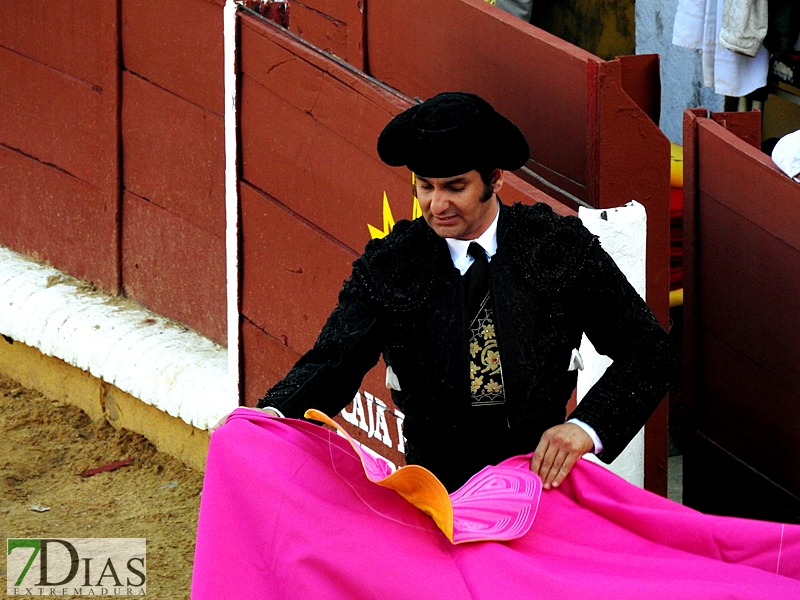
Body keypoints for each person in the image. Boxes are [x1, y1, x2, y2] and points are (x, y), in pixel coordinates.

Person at [258, 92, 677, 493]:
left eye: (454, 187)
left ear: (493, 180)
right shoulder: (392, 265)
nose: (437, 204)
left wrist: (586, 427)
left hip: (539, 481)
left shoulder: (555, 247)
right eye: (425, 186)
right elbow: (334, 363)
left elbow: (650, 352)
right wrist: (267, 418)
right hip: (434, 488)